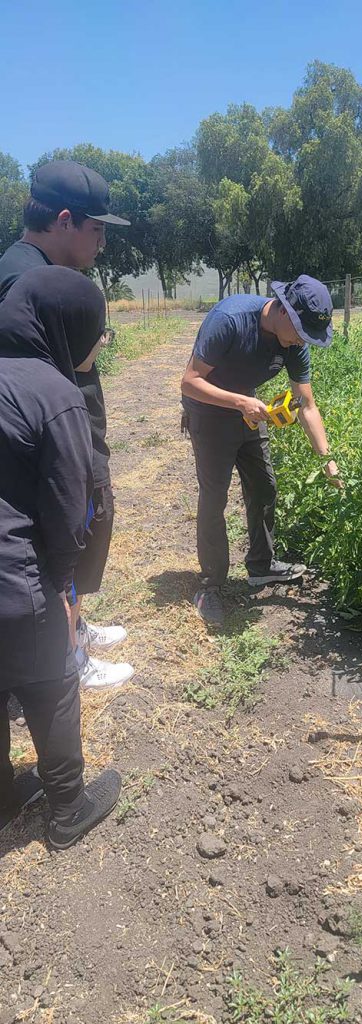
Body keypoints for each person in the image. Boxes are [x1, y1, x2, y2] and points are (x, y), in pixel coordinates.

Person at [0, 266, 122, 848]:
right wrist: (66, 593)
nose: (100, 342)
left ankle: (3, 795)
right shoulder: (53, 392)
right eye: (96, 330)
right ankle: (68, 808)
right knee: (52, 685)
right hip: (17, 581)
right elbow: (69, 510)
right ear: (63, 328)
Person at [0, 159, 133, 690]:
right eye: (96, 228)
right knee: (61, 539)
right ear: (63, 220)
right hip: (46, 449)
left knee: (77, 537)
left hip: (58, 438)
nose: (102, 241)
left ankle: (74, 628)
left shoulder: (30, 268)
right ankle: (67, 652)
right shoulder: (23, 278)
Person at [181, 274, 341, 626]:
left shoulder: (294, 341)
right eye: (300, 332)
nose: (302, 342)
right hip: (209, 410)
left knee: (264, 486)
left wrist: (328, 461)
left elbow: (306, 404)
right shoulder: (230, 320)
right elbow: (189, 381)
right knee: (215, 497)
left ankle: (261, 566)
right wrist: (240, 401)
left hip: (249, 411)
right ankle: (210, 586)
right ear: (284, 311)